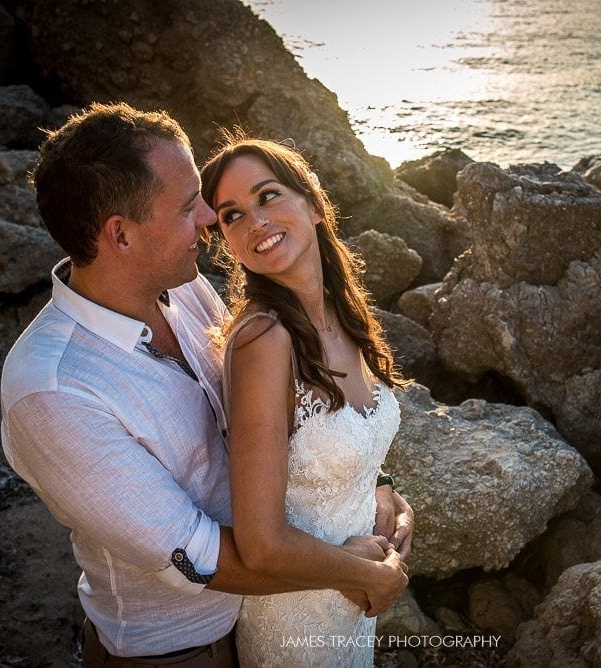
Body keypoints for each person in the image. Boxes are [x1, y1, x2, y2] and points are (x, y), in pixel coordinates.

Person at [0, 102, 411, 667]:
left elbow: (286, 421)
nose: (208, 219)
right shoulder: (54, 391)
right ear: (120, 235)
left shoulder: (185, 288)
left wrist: (372, 483)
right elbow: (198, 556)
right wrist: (360, 573)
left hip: (275, 607)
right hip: (182, 651)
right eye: (187, 204)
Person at [199, 134, 409, 667]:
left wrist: (386, 494)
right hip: (296, 621)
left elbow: (345, 448)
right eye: (232, 216)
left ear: (314, 203)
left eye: (267, 196)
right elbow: (261, 543)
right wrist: (372, 577)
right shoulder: (263, 342)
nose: (256, 222)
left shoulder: (347, 316)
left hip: (350, 607)